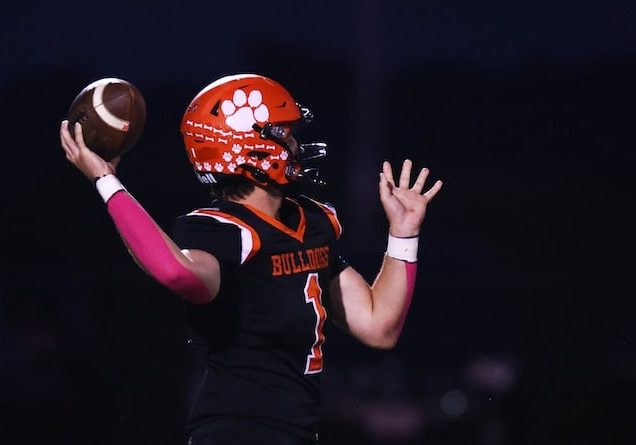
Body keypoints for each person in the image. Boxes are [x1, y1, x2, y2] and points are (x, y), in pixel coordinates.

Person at [59, 74, 442, 445]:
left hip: (296, 431)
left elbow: (379, 326)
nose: (295, 145)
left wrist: (403, 233)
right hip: (237, 431)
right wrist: (106, 182)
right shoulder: (223, 230)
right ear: (248, 148)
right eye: (286, 134)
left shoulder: (310, 223)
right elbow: (176, 272)